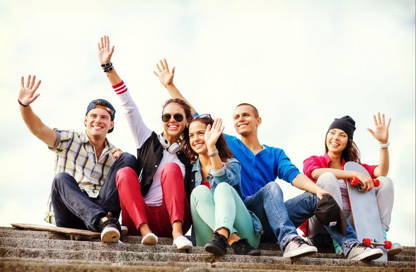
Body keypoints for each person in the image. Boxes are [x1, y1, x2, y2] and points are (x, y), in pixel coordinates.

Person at [156, 63, 384, 261]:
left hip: (272, 215)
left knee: (317, 196)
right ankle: (289, 240)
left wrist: (320, 192)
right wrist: (170, 87)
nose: (240, 119)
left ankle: (350, 245)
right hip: (243, 211)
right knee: (271, 188)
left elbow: (295, 176)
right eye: (236, 117)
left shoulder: (275, 153)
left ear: (258, 120)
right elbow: (198, 120)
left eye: (245, 115)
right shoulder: (231, 144)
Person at [97, 36, 193, 250]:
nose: (172, 121)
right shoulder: (147, 140)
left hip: (172, 218)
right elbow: (128, 105)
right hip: (141, 216)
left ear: (186, 122)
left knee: (171, 168)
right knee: (124, 173)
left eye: (178, 117)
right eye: (167, 117)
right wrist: (108, 67)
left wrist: (170, 86)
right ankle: (145, 232)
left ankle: (177, 234)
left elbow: (200, 119)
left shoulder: (191, 151)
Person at [17, 75, 138, 243]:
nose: (98, 120)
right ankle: (103, 221)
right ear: (85, 120)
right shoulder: (69, 139)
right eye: (93, 116)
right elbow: (38, 129)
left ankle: (106, 221)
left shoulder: (114, 154)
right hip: (70, 212)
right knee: (61, 179)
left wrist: (119, 162)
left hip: (101, 206)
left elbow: (129, 187)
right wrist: (24, 105)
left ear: (111, 124)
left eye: (104, 117)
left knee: (128, 159)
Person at [302, 115, 402, 256]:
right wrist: (351, 174)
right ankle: (341, 242)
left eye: (342, 135)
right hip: (322, 226)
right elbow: (315, 173)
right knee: (328, 178)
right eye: (332, 133)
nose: (336, 137)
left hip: (352, 226)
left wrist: (383, 144)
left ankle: (379, 236)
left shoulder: (354, 167)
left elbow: (382, 171)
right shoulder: (314, 160)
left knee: (385, 182)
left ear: (348, 141)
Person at [184, 115, 262, 256]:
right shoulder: (189, 171)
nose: (195, 139)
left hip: (246, 236)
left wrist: (211, 147)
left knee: (223, 187)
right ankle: (232, 239)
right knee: (199, 191)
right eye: (191, 136)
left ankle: (224, 234)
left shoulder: (232, 164)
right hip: (210, 239)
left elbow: (222, 182)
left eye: (200, 133)